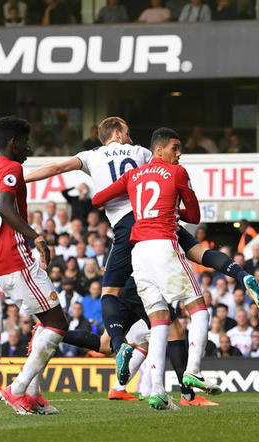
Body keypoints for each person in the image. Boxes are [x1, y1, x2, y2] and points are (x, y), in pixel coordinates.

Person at [25, 117, 259, 393]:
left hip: (132, 238)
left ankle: (129, 364)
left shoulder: (91, 156)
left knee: (113, 297)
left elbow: (60, 169)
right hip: (153, 223)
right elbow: (160, 179)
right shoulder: (142, 152)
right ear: (117, 132)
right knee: (194, 268)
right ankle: (185, 385)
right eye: (128, 133)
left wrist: (21, 179)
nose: (130, 138)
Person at [92, 127, 203, 410]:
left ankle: (157, 391)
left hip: (137, 252)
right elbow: (195, 216)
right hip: (164, 245)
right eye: (175, 148)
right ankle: (193, 374)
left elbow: (97, 200)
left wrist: (140, 207)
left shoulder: (133, 176)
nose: (179, 154)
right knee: (199, 309)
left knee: (158, 322)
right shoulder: (177, 173)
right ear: (159, 150)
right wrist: (170, 209)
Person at [0, 117, 68, 414]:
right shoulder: (11, 169)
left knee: (45, 322)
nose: (29, 147)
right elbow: (3, 207)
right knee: (58, 324)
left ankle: (33, 394)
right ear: (13, 142)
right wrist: (35, 235)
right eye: (25, 142)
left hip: (1, 264)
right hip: (17, 257)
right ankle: (18, 388)